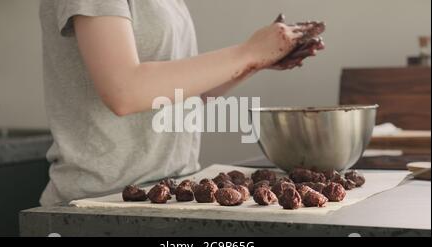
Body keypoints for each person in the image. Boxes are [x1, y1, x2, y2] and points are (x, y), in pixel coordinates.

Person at [39, 0, 324, 206]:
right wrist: (247, 52)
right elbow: (122, 90)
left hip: (169, 194)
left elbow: (184, 95)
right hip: (97, 203)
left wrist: (257, 60)